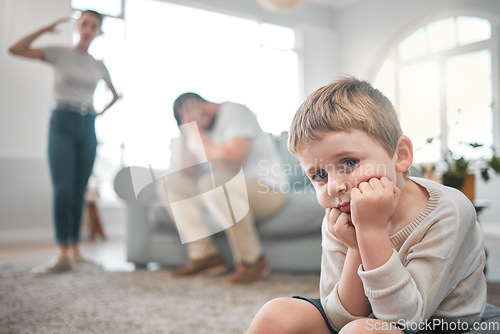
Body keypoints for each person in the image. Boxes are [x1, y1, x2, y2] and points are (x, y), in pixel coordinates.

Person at [247, 77, 487, 333]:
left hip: (437, 324)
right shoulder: (341, 213)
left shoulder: (448, 210)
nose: (334, 186)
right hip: (366, 319)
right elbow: (339, 318)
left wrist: (371, 231)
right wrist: (355, 248)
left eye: (349, 162)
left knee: (360, 331)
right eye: (319, 175)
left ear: (401, 155)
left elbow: (405, 319)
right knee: (276, 315)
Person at [8, 10, 119, 273]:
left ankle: (76, 251)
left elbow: (115, 95)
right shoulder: (59, 53)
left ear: (99, 31)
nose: (89, 29)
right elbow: (15, 49)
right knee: (63, 189)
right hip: (62, 121)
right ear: (78, 25)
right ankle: (61, 252)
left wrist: (98, 112)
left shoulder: (98, 64)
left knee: (80, 191)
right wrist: (44, 29)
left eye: (94, 26)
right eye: (85, 24)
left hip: (87, 125)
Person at [157, 92, 286, 284]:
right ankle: (205, 257)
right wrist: (187, 132)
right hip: (224, 194)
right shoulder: (197, 129)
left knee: (213, 182)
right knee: (171, 184)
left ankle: (253, 262)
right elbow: (186, 170)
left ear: (202, 105)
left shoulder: (235, 112)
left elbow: (232, 162)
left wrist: (196, 132)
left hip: (266, 190)